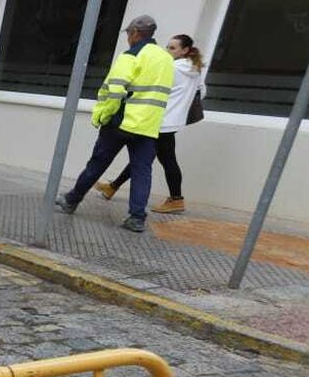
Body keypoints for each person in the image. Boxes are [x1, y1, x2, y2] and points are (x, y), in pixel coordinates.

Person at [54, 14, 175, 233]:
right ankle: (137, 218)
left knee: (98, 163)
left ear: (135, 34)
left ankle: (72, 200)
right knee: (142, 172)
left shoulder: (130, 55)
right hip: (148, 127)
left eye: (129, 33)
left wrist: (103, 116)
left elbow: (115, 90)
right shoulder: (166, 58)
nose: (128, 38)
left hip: (121, 122)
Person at [95, 33, 204, 214]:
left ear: (185, 50)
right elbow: (202, 93)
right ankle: (112, 187)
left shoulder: (172, 67)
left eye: (172, 48)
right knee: (145, 159)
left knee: (162, 161)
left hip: (160, 121)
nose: (167, 51)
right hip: (172, 122)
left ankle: (176, 199)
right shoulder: (196, 70)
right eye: (167, 46)